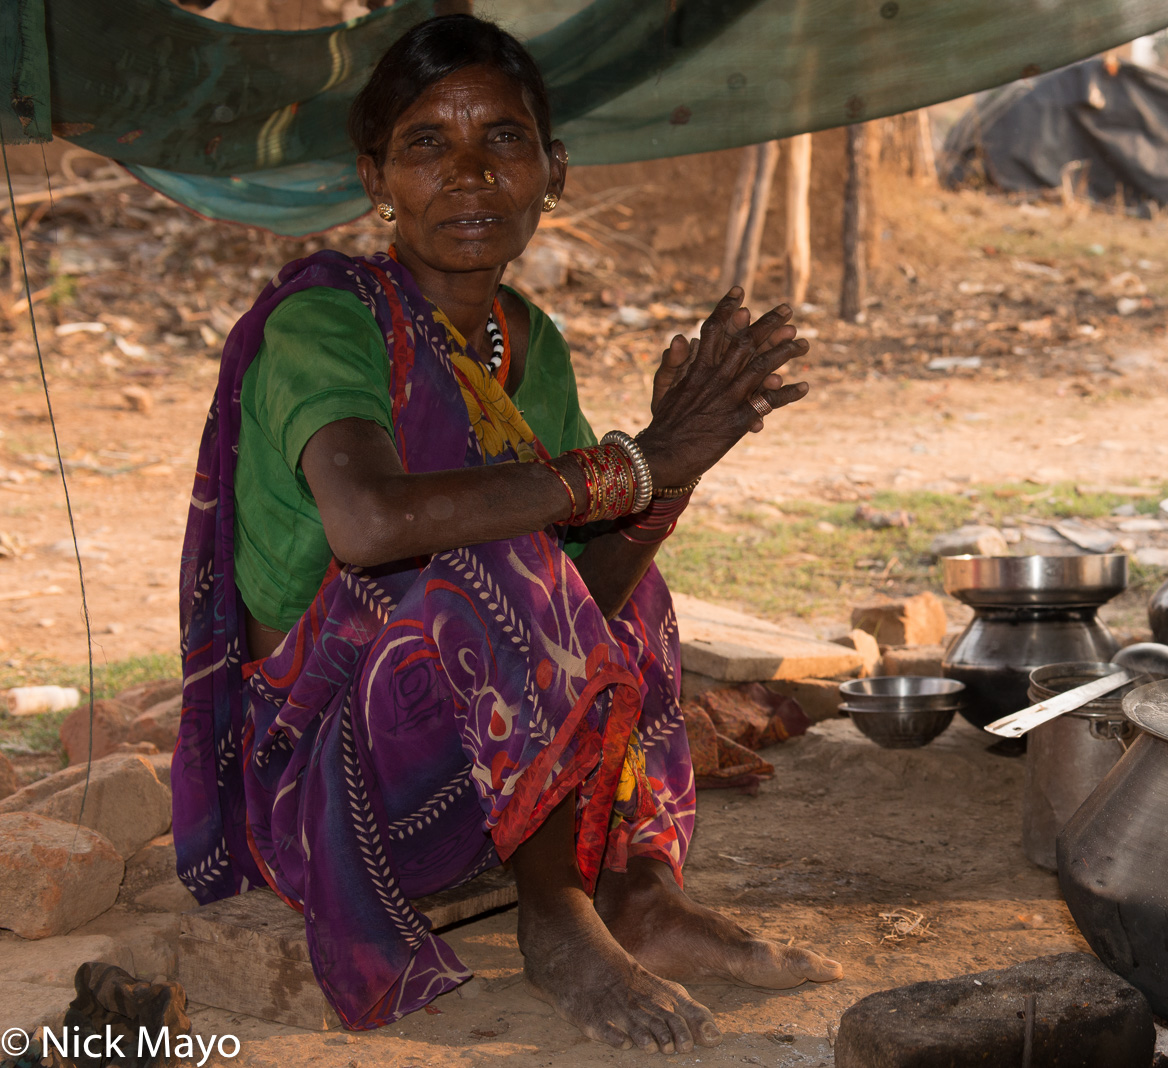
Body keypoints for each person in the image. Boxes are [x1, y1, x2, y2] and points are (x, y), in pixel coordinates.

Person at [173, 13, 840, 1054]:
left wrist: (672, 478)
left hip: (468, 789)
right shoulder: (327, 321)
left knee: (628, 569)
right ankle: (556, 916)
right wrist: (624, 466)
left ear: (552, 170)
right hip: (333, 792)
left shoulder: (533, 339)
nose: (470, 172)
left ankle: (641, 893)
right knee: (491, 542)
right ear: (375, 177)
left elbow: (581, 602)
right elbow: (370, 523)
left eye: (504, 139)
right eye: (427, 142)